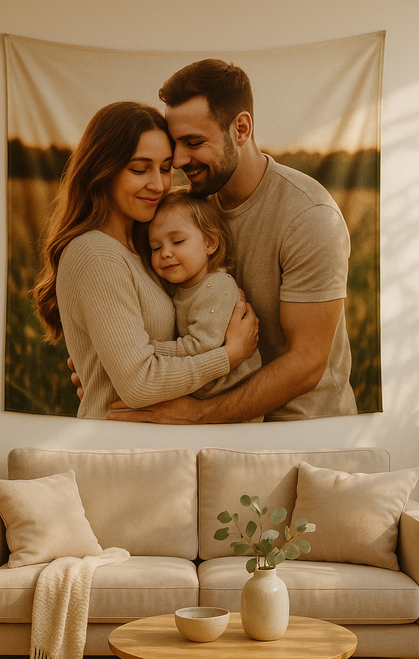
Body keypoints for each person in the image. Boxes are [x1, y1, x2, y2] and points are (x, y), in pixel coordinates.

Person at [104, 59, 358, 423]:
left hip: (303, 432)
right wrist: (114, 365)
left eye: (193, 142)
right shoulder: (186, 211)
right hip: (220, 422)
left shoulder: (309, 216)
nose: (177, 159)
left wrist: (199, 415)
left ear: (241, 128)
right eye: (175, 143)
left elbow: (306, 364)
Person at [32, 101, 258, 420]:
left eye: (165, 168)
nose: (158, 184)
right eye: (140, 169)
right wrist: (230, 356)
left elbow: (131, 362)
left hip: (147, 448)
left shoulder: (143, 251)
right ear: (103, 169)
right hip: (118, 450)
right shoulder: (96, 253)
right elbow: (139, 384)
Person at [146, 187, 263, 416]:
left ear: (210, 243)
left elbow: (201, 346)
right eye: (156, 247)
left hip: (233, 403)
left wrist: (148, 349)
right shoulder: (177, 288)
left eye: (177, 241)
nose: (165, 253)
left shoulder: (217, 286)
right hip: (204, 393)